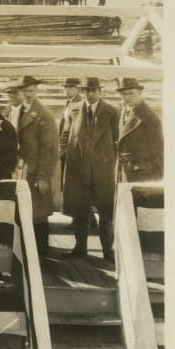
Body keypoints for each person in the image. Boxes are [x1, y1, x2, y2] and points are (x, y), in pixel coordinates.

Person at [63, 78, 120, 261]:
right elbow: (66, 134)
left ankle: (107, 251)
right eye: (87, 90)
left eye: (94, 90)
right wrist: (67, 154)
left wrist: (109, 163)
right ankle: (80, 248)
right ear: (82, 91)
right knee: (81, 212)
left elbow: (117, 142)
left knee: (105, 213)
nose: (90, 93)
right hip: (80, 171)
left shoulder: (111, 112)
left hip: (102, 172)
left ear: (100, 91)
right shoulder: (74, 110)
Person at [12, 76, 60, 255]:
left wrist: (43, 177)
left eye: (31, 91)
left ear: (36, 91)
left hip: (35, 173)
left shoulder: (43, 116)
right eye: (24, 91)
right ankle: (25, 250)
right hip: (20, 171)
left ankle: (41, 252)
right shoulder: (16, 112)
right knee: (23, 211)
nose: (27, 95)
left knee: (38, 214)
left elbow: (50, 150)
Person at [116, 78, 164, 182]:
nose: (127, 97)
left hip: (143, 175)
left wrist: (156, 179)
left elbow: (159, 151)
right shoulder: (125, 110)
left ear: (139, 92)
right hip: (127, 172)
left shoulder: (148, 117)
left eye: (131, 93)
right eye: (124, 94)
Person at [57, 78, 85, 212]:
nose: (66, 90)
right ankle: (85, 217)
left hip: (74, 149)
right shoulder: (69, 103)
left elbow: (78, 129)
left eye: (70, 87)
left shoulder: (81, 104)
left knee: (76, 184)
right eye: (65, 87)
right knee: (70, 184)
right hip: (65, 149)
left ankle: (80, 216)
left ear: (77, 89)